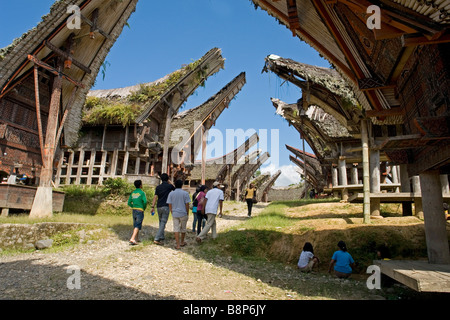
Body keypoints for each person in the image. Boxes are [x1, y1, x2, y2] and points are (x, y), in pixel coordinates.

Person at [166, 179, 191, 250]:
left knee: (176, 228)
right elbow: (187, 204)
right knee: (183, 228)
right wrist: (187, 213)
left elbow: (169, 204)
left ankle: (177, 245)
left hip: (175, 213)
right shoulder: (185, 193)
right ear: (181, 185)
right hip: (183, 213)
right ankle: (182, 242)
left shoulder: (171, 193)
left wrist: (172, 211)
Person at [152, 173, 175, 245]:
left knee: (160, 221)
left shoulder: (158, 187)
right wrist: (169, 181)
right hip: (166, 206)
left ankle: (161, 236)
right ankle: (157, 238)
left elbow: (155, 197)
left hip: (158, 206)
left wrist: (152, 206)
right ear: (167, 179)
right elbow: (175, 188)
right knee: (163, 222)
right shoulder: (169, 186)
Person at [127, 180, 147, 245]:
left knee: (135, 224)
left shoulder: (133, 193)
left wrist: (133, 206)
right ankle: (132, 238)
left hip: (134, 210)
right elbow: (145, 201)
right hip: (140, 210)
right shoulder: (142, 193)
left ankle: (137, 238)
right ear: (141, 185)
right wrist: (143, 208)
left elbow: (129, 202)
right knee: (138, 224)